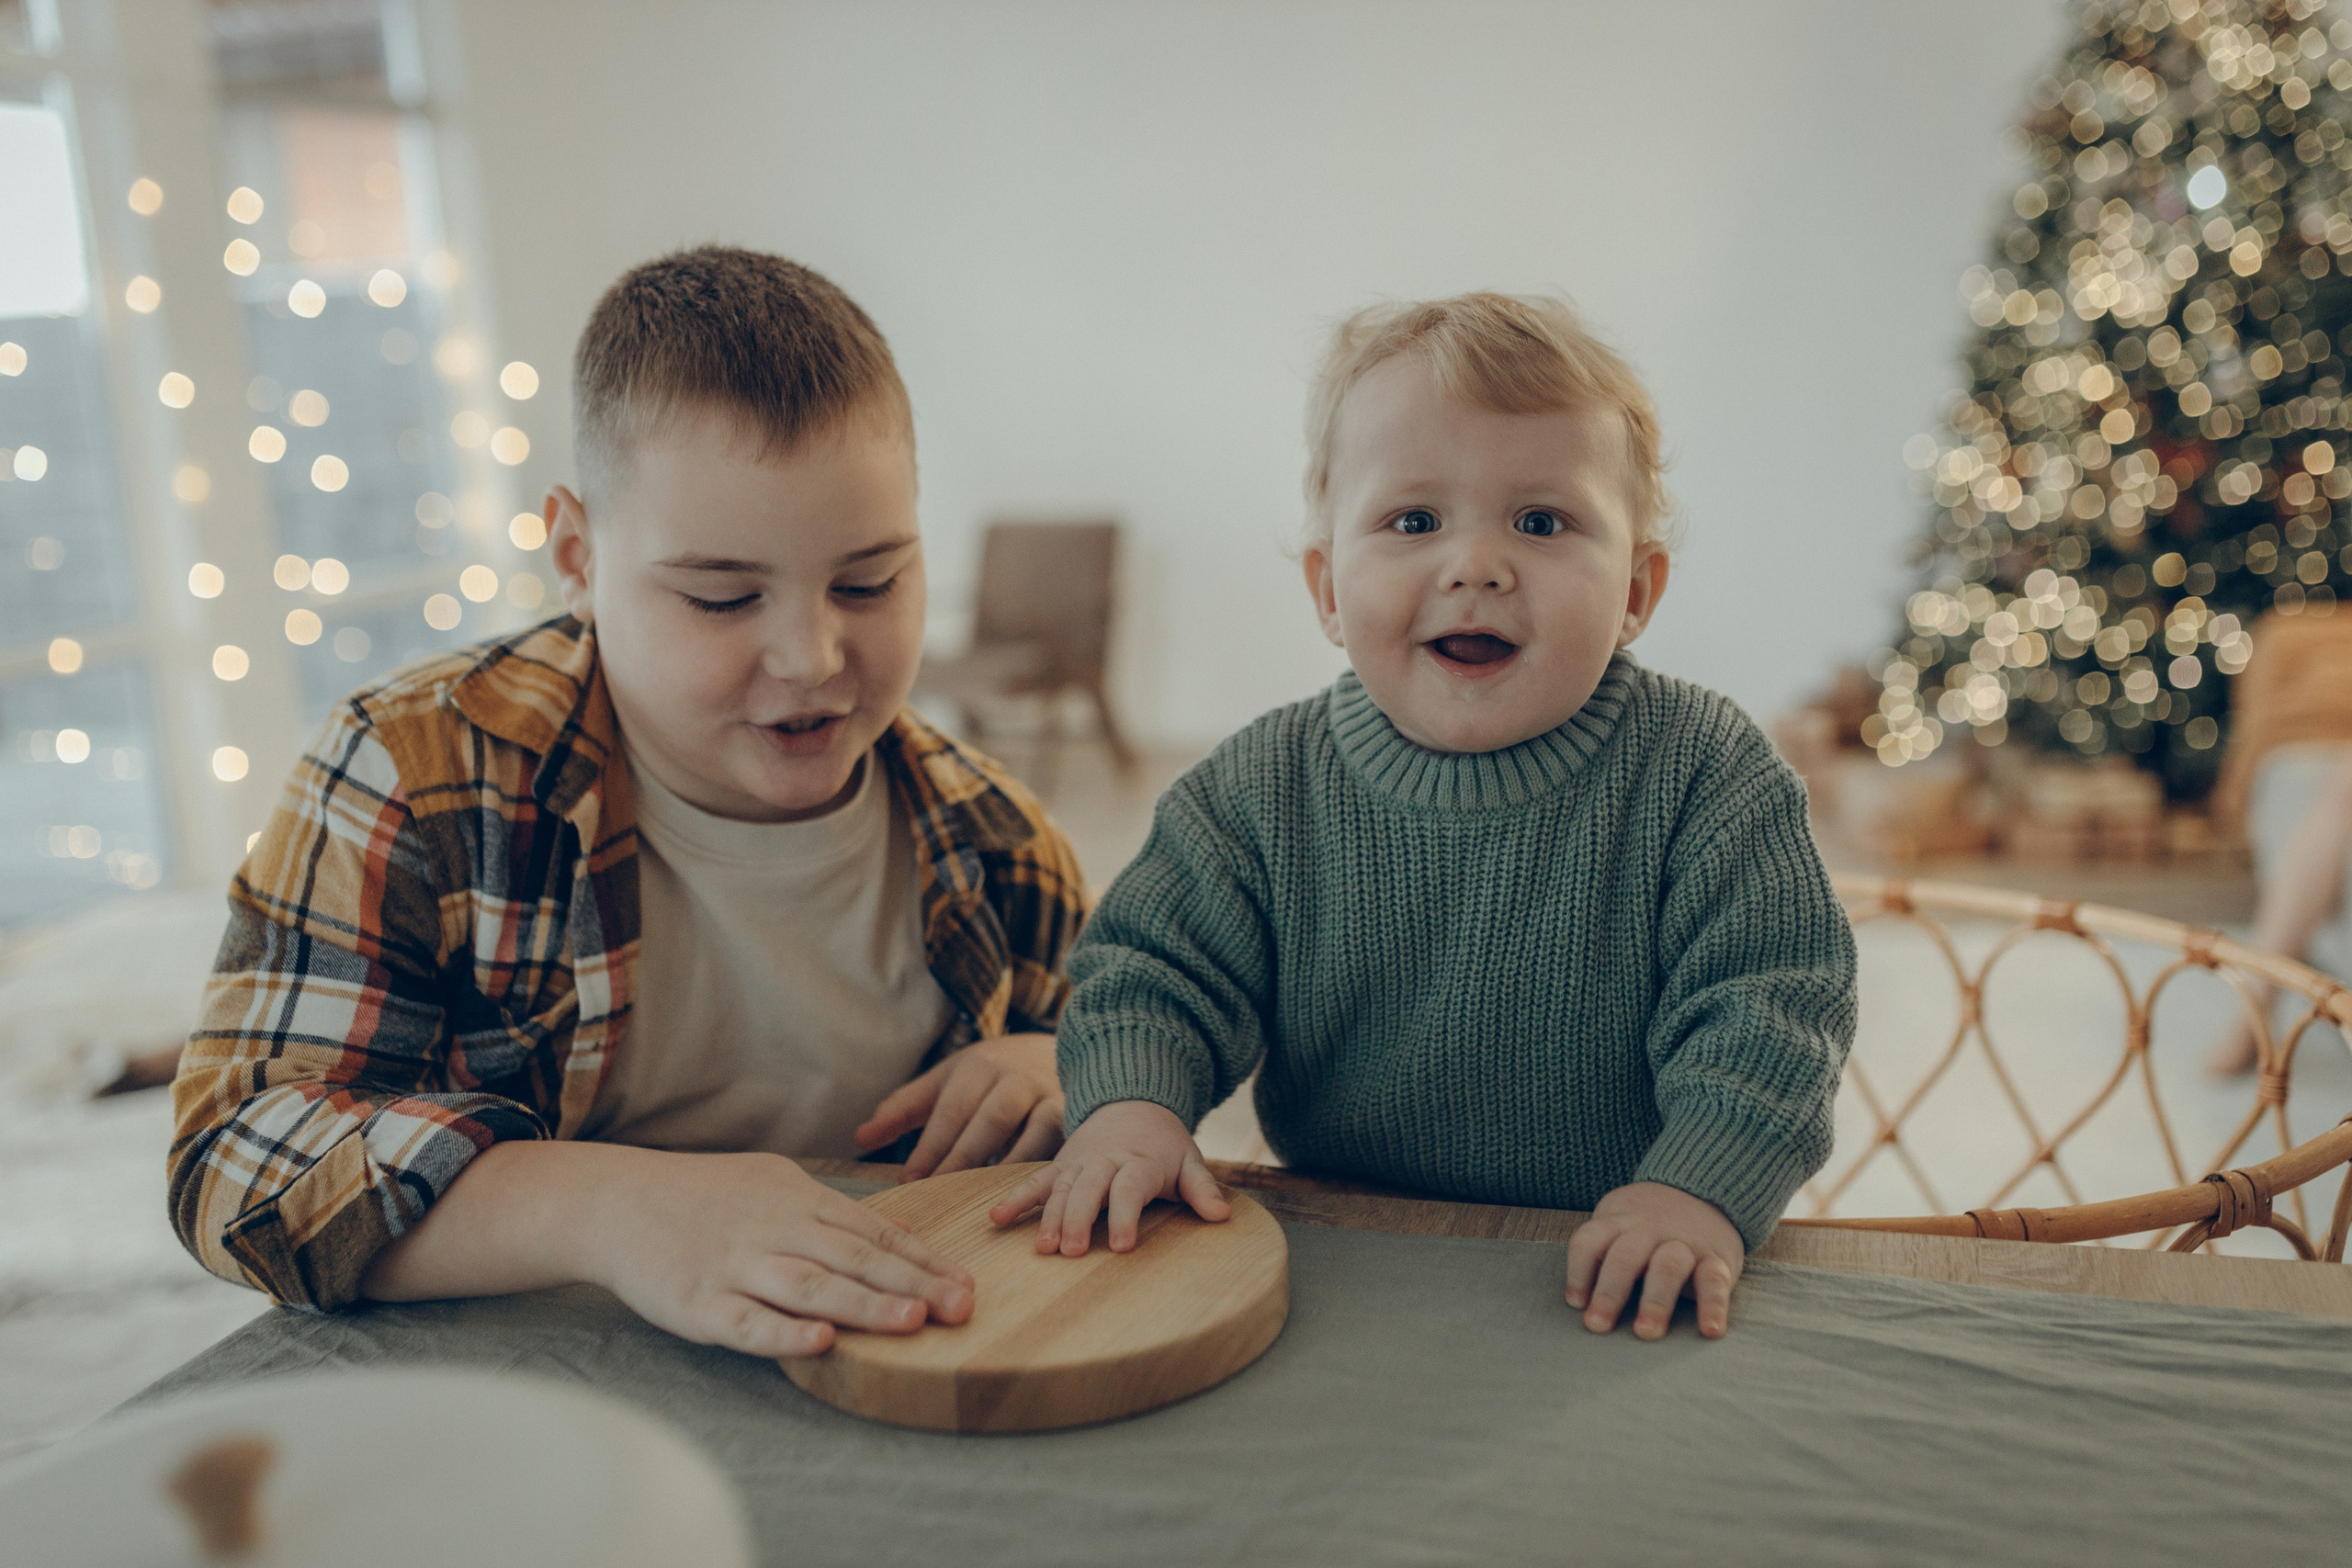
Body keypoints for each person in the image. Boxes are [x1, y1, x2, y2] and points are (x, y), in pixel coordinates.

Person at [169, 247, 1089, 1358]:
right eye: (721, 596)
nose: (809, 656)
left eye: (870, 582)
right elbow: (235, 1161)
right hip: (517, 1382)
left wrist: (1068, 1067)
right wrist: (613, 1209)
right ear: (577, 554)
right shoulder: (409, 775)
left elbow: (1129, 1064)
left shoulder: (999, 844)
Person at [991, 293, 1857, 1340]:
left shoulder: (1704, 773)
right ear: (1325, 590)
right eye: (1414, 522)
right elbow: (1154, 973)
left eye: (1541, 522)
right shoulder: (1261, 789)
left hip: (1609, 1261)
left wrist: (1699, 1195)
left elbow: (1770, 1011)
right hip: (1343, 1250)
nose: (1475, 565)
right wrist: (1133, 1109)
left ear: (1635, 591)